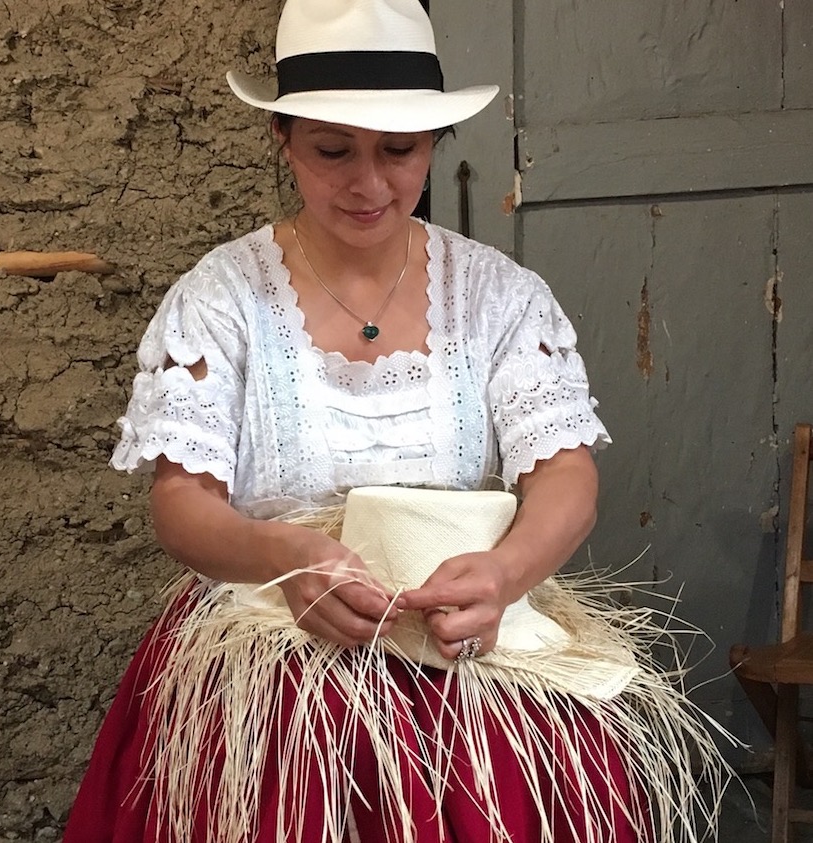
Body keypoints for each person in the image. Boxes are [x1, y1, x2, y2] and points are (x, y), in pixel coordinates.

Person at [62, 1, 732, 841]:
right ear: (284, 139)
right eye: (332, 150)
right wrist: (286, 554)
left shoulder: (497, 295)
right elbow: (182, 497)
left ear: (436, 144)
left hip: (461, 658)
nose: (368, 183)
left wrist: (505, 575)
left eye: (399, 151)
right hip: (275, 661)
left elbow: (563, 473)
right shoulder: (222, 296)